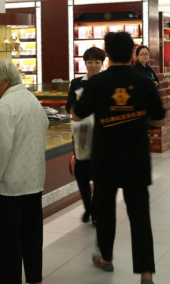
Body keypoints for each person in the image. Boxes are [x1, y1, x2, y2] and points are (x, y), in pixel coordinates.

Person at [72, 32, 166, 284]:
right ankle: (146, 273)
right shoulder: (144, 81)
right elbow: (160, 120)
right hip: (137, 157)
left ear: (107, 53)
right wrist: (138, 115)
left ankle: (106, 258)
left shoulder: (96, 82)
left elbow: (77, 115)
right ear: (133, 52)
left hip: (105, 158)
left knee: (105, 211)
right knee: (140, 215)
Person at [0, 59, 48, 284]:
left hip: (9, 186)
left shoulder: (4, 106)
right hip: (33, 181)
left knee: (7, 241)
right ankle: (35, 279)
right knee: (32, 236)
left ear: (5, 82)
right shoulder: (31, 99)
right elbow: (44, 126)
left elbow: (2, 148)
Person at [65, 47, 106, 223]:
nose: (93, 65)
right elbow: (69, 106)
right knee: (81, 175)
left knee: (99, 175)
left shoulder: (106, 82)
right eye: (90, 62)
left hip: (101, 135)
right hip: (81, 134)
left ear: (102, 63)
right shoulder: (77, 83)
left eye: (97, 62)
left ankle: (95, 211)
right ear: (84, 63)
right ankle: (89, 207)